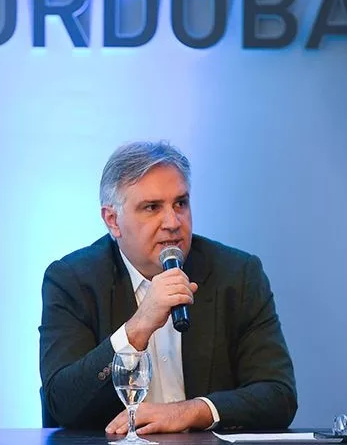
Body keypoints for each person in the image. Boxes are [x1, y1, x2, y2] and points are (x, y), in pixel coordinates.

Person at [39, 141, 296, 434]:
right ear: (113, 220)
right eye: (152, 207)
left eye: (180, 204)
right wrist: (136, 329)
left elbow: (279, 395)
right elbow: (62, 403)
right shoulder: (72, 280)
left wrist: (192, 412)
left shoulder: (237, 275)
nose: (173, 222)